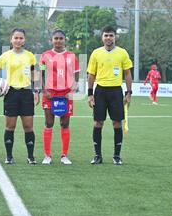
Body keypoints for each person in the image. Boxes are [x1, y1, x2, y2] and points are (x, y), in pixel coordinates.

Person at [0, 28, 40, 165]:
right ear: (11, 39)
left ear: (24, 40)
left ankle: (31, 156)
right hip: (11, 93)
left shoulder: (30, 56)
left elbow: (35, 74)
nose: (18, 40)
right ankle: (9, 156)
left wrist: (37, 90)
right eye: (15, 38)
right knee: (10, 126)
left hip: (26, 93)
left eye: (21, 38)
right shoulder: (5, 56)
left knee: (28, 126)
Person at [87, 26, 133, 165]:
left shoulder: (122, 53)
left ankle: (117, 156)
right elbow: (91, 75)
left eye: (111, 35)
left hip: (116, 91)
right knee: (98, 122)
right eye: (106, 35)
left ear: (115, 37)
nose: (108, 38)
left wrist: (128, 93)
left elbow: (127, 74)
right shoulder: (96, 53)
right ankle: (97, 155)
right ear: (102, 37)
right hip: (100, 91)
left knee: (117, 122)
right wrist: (90, 94)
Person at [39, 29, 80, 165]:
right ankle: (47, 156)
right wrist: (45, 90)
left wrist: (72, 91)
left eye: (60, 38)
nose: (58, 41)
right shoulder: (45, 56)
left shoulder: (72, 56)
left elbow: (76, 76)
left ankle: (64, 156)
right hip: (50, 93)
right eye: (55, 38)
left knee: (65, 124)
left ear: (65, 40)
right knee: (49, 123)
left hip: (66, 94)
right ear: (51, 40)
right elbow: (41, 75)